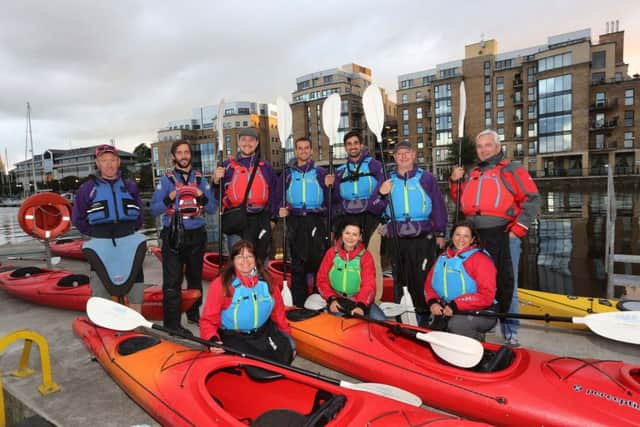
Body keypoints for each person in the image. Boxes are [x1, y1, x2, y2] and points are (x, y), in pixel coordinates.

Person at [450, 129, 540, 346]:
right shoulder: (472, 173)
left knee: (507, 281)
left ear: (498, 147)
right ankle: (479, 323)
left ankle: (510, 329)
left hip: (503, 234)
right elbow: (461, 202)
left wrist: (516, 231)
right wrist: (455, 182)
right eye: (480, 146)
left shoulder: (512, 169)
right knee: (476, 282)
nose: (483, 150)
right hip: (476, 236)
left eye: (487, 145)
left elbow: (532, 199)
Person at [374, 141, 447, 317]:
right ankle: (403, 316)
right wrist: (381, 194)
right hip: (397, 236)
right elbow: (375, 207)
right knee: (400, 278)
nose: (403, 156)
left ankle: (422, 315)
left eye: (407, 153)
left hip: (422, 236)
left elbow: (438, 206)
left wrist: (440, 232)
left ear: (414, 155)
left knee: (421, 277)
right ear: (394, 157)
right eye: (399, 154)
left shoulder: (426, 178)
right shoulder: (387, 180)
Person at [150, 141, 216, 333]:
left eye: (186, 152)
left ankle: (194, 315)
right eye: (179, 152)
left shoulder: (200, 179)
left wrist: (201, 195)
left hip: (197, 234)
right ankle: (172, 324)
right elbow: (154, 210)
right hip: (173, 234)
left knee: (195, 278)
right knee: (172, 281)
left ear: (191, 156)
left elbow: (212, 208)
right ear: (173, 157)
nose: (184, 155)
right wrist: (168, 198)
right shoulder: (165, 180)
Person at [72, 144, 145, 312]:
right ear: (97, 163)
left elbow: (139, 215)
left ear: (118, 162)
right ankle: (105, 327)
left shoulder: (130, 186)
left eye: (112, 160)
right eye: (104, 160)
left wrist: (128, 231)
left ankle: (136, 326)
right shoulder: (87, 189)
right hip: (101, 244)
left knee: (135, 289)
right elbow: (77, 218)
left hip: (128, 243)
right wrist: (96, 234)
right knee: (100, 291)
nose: (109, 164)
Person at [200, 240, 295, 364]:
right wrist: (211, 340)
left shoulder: (267, 281)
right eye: (240, 256)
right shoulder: (221, 284)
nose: (245, 261)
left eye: (249, 256)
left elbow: (278, 313)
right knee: (253, 365)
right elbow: (208, 320)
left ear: (255, 259)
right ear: (233, 260)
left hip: (262, 333)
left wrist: (286, 335)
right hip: (234, 337)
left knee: (288, 350)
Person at [274, 137, 333, 307]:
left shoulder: (321, 173)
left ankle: (318, 301)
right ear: (295, 151)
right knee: (298, 265)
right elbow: (278, 197)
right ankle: (299, 304)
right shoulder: (287, 174)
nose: (303, 151)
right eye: (300, 148)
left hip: (316, 220)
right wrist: (280, 208)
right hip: (295, 220)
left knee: (318, 262)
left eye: (306, 148)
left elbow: (332, 200)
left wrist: (331, 186)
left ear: (312, 151)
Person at [333, 130, 385, 299]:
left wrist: (372, 206)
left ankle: (375, 299)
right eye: (349, 144)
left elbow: (383, 189)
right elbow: (335, 199)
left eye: (356, 143)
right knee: (351, 260)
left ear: (361, 145)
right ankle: (353, 296)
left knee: (372, 259)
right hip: (349, 219)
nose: (353, 146)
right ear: (345, 148)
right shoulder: (340, 171)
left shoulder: (375, 165)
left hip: (371, 217)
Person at [424, 221, 498, 340]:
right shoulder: (443, 257)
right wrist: (433, 302)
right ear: (452, 236)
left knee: (457, 324)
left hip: (482, 311)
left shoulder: (481, 260)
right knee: (432, 328)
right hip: (449, 307)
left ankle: (480, 348)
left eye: (466, 236)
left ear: (472, 239)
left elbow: (487, 295)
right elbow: (429, 285)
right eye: (458, 235)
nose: (461, 239)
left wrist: (456, 304)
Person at [213, 128, 278, 263]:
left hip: (260, 219)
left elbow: (275, 195)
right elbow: (215, 197)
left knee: (260, 261)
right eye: (243, 140)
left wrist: (273, 219)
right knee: (239, 261)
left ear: (257, 143)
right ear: (238, 142)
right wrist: (215, 181)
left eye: (251, 140)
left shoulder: (266, 167)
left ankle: (260, 283)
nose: (247, 143)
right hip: (236, 221)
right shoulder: (226, 166)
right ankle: (238, 283)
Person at [315, 221, 385, 320]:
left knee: (381, 320)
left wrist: (361, 306)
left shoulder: (366, 256)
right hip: (337, 299)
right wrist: (331, 299)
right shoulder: (331, 253)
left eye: (354, 234)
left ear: (360, 237)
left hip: (359, 300)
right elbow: (321, 280)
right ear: (342, 233)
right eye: (347, 233)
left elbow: (369, 284)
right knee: (344, 323)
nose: (350, 238)